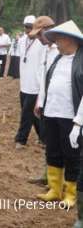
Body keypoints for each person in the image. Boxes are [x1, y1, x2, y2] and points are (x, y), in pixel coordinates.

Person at [33, 20, 83, 209]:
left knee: (72, 155)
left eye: (59, 39)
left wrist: (78, 123)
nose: (56, 43)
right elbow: (48, 83)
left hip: (71, 116)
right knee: (52, 151)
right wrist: (41, 103)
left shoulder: (81, 60)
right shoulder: (58, 59)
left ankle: (70, 193)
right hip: (52, 113)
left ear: (70, 39)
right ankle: (55, 189)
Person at [30, 15, 57, 185]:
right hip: (46, 102)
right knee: (48, 141)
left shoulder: (61, 50)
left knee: (57, 143)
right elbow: (43, 79)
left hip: (58, 104)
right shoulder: (47, 50)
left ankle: (56, 180)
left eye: (40, 35)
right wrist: (39, 101)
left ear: (48, 31)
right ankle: (47, 175)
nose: (38, 39)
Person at [14, 16, 46, 149]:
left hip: (35, 85)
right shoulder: (21, 41)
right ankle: (44, 138)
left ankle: (21, 140)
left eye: (30, 27)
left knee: (26, 113)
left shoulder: (41, 43)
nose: (27, 30)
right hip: (24, 84)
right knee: (31, 114)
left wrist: (42, 85)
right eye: (26, 27)